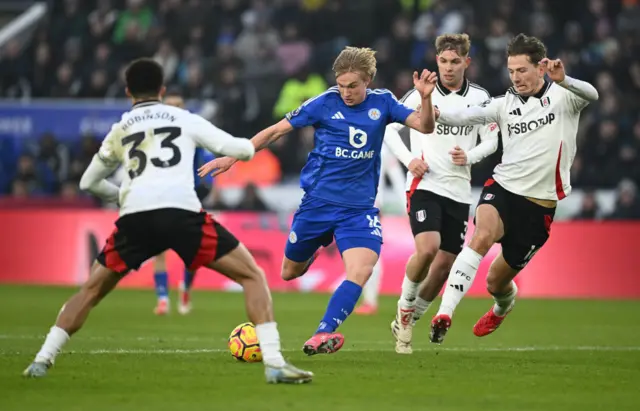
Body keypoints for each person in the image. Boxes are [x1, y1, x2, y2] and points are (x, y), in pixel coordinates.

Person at [23, 58, 313, 384]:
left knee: (90, 291)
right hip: (181, 214)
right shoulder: (183, 118)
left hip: (135, 218)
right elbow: (241, 151)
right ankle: (274, 364)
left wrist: (124, 197)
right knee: (252, 276)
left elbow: (88, 183)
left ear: (128, 91)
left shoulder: (121, 128)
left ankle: (41, 359)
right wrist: (245, 147)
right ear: (162, 90)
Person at [199, 46, 437, 355]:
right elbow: (275, 132)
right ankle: (312, 252)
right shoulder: (324, 103)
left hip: (359, 209)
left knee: (361, 270)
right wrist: (235, 156)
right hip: (317, 204)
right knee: (289, 271)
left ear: (367, 80)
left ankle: (323, 333)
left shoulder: (384, 103)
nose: (346, 92)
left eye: (353, 86)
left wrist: (427, 97)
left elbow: (426, 126)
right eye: (341, 85)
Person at [427, 33, 598, 344]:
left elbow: (593, 94)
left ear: (541, 68)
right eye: (511, 71)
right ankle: (445, 313)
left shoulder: (563, 97)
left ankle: (502, 307)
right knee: (481, 236)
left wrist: (566, 79)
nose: (516, 77)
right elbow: (461, 114)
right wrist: (430, 104)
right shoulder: (503, 104)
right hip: (503, 188)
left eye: (522, 70)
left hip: (539, 207)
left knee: (496, 282)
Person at [383, 34, 499, 354]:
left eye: (455, 62)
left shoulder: (480, 97)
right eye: (444, 61)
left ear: (467, 62)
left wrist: (471, 156)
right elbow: (390, 130)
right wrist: (410, 160)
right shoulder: (422, 93)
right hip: (426, 184)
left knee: (445, 265)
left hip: (459, 191)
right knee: (428, 248)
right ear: (437, 61)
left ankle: (409, 319)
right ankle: (404, 311)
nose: (448, 68)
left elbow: (492, 139)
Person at [152, 93, 198, 316]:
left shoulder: (193, 134)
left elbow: (203, 166)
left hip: (187, 199)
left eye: (178, 105)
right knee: (159, 250)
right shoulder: (152, 136)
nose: (174, 109)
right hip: (160, 198)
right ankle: (162, 298)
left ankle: (185, 288)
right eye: (170, 106)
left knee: (192, 253)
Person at [354, 143, 406, 315]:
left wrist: (407, 208)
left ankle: (369, 300)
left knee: (370, 253)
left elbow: (397, 176)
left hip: (371, 206)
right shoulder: (356, 143)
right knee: (360, 253)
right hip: (353, 204)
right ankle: (365, 298)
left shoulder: (382, 148)